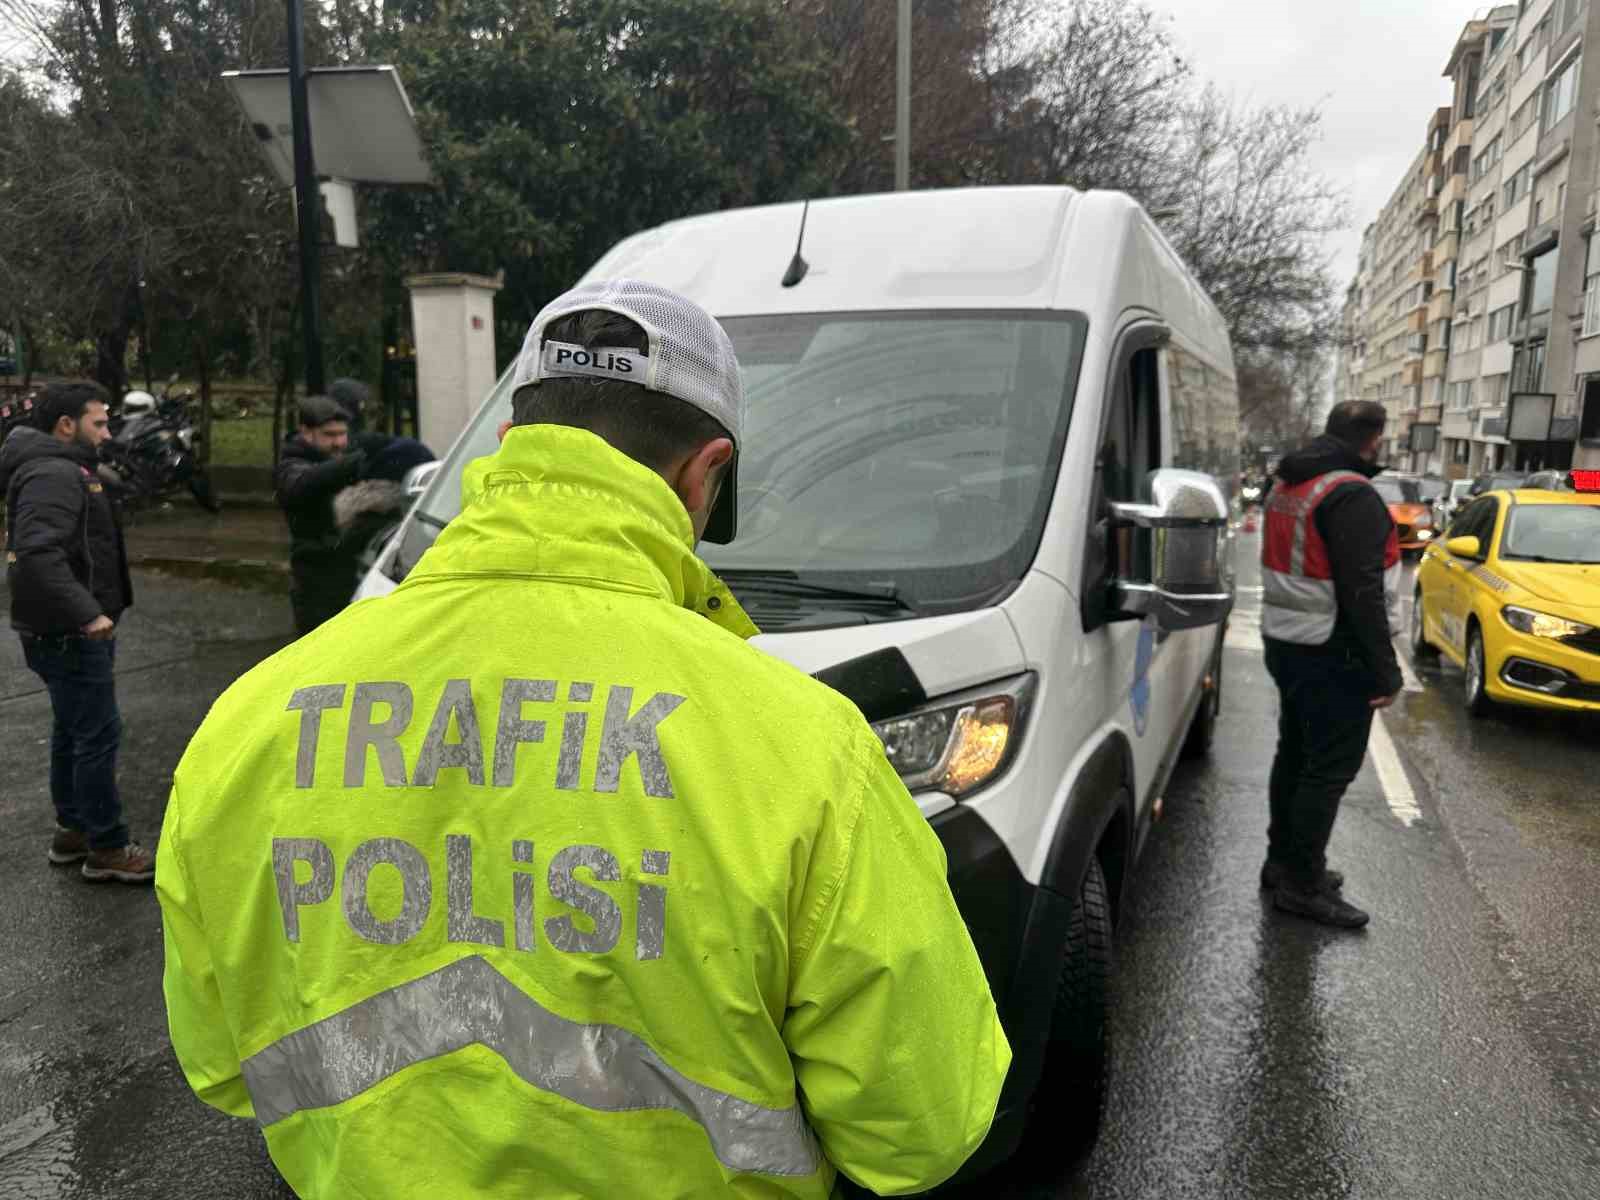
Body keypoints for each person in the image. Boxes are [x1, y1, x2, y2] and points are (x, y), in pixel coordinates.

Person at [157, 279, 1011, 1199]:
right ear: (705, 472)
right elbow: (921, 1127)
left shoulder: (254, 719)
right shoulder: (807, 749)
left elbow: (222, 1064)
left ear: (508, 445)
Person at [0, 380, 155, 883]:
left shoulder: (63, 468)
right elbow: (36, 553)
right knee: (97, 733)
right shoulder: (53, 473)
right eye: (99, 423)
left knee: (74, 728)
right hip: (70, 632)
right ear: (66, 425)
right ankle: (107, 846)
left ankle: (74, 830)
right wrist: (87, 613)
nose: (108, 433)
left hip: (62, 629)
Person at [1259, 400, 1403, 930]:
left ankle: (1284, 863)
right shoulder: (1350, 494)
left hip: (1287, 641)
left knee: (1296, 754)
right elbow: (1362, 591)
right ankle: (1302, 885)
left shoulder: (1291, 483)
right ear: (1374, 438)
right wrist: (1385, 671)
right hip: (1333, 651)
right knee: (1327, 769)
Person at [273, 395, 367, 634]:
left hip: (351, 575)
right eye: (329, 435)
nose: (338, 442)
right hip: (315, 584)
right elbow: (303, 483)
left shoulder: (344, 457)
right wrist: (354, 464)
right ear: (306, 432)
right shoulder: (291, 465)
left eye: (342, 434)